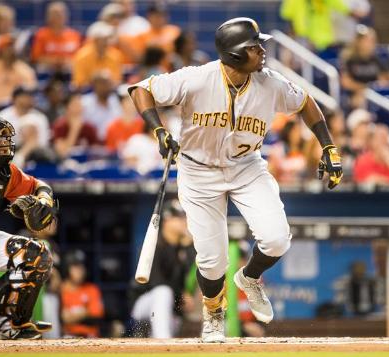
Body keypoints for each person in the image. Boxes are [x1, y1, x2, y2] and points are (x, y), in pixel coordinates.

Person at [128, 17, 343, 342]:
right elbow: (140, 90)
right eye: (255, 47)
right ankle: (213, 310)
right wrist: (158, 129)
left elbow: (306, 104)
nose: (262, 51)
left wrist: (328, 145)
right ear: (234, 55)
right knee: (213, 263)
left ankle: (250, 278)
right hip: (198, 171)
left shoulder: (271, 83)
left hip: (246, 167)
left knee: (276, 239)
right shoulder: (196, 79)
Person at [0, 114, 56, 339]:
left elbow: (39, 185)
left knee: (37, 255)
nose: (2, 147)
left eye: (3, 141)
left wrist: (44, 200)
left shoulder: (4, 174)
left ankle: (3, 325)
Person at [129, 199, 195, 338]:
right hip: (144, 305)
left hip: (168, 310)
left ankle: (160, 344)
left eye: (183, 217)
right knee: (163, 292)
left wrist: (188, 247)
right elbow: (158, 283)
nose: (183, 221)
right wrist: (182, 297)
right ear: (166, 220)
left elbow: (191, 276)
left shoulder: (184, 247)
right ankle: (162, 341)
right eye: (178, 217)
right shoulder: (154, 245)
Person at [0, 35, 37, 108]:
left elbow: (30, 90)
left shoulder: (25, 70)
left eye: (12, 47)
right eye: (6, 48)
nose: (10, 51)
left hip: (17, 108)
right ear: (0, 50)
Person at [60, 249, 104, 338]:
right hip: (67, 337)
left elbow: (97, 315)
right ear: (67, 268)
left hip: (90, 338)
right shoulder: (60, 290)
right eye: (76, 266)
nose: (80, 270)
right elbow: (63, 319)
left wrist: (73, 315)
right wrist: (84, 312)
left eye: (82, 266)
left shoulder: (92, 289)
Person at [30, 1, 82, 72]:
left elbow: (79, 57)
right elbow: (36, 57)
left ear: (66, 15)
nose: (58, 17)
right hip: (47, 69)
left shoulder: (74, 35)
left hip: (69, 69)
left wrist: (66, 62)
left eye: (61, 13)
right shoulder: (41, 34)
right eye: (55, 14)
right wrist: (57, 61)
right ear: (48, 17)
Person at [71, 21, 123, 89]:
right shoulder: (81, 56)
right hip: (87, 93)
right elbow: (79, 83)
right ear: (95, 40)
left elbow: (117, 81)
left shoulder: (115, 55)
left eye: (107, 38)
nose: (107, 42)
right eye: (104, 39)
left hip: (109, 93)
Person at [52, 92, 99, 159]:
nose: (79, 108)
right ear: (67, 107)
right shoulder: (59, 126)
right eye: (75, 104)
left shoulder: (89, 127)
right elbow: (61, 153)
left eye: (80, 104)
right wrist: (74, 130)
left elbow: (96, 152)